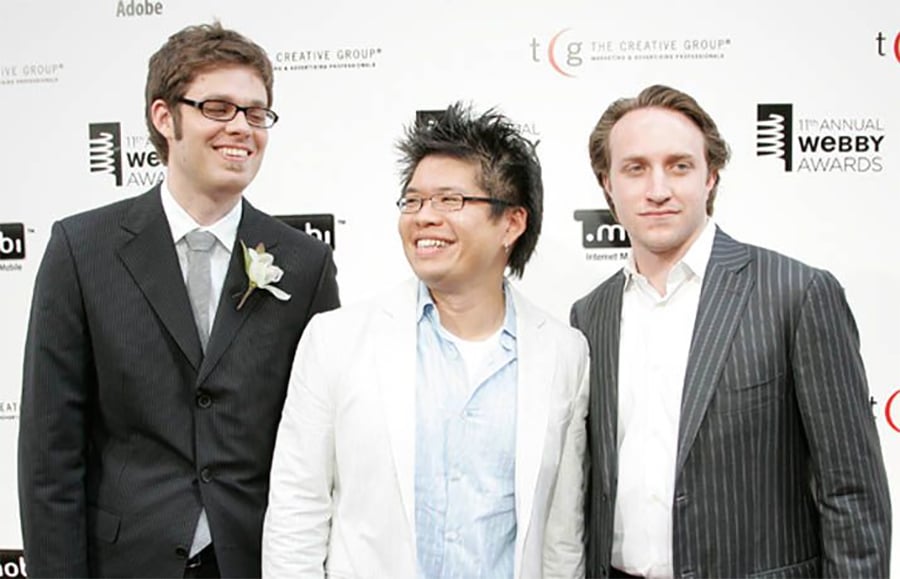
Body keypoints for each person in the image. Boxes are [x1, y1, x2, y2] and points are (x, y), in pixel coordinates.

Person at [18, 22, 340, 578]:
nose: (241, 128)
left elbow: (323, 446)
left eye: (256, 112)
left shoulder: (305, 264)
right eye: (218, 107)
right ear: (165, 117)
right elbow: (50, 455)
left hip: (257, 561)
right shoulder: (82, 250)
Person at [571, 84, 892, 578]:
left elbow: (852, 493)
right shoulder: (589, 315)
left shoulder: (796, 293)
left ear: (711, 177)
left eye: (679, 165)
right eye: (635, 168)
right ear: (607, 184)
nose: (658, 189)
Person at [262, 102, 588, 578]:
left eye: (450, 201)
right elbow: (297, 511)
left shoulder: (564, 352)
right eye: (413, 201)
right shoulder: (335, 340)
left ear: (511, 223)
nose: (424, 217)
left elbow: (562, 536)